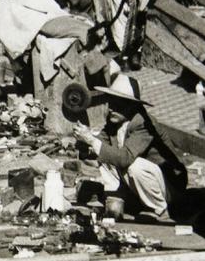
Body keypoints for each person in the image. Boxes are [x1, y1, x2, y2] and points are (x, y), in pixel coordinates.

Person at [73, 73, 186, 222]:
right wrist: (84, 143)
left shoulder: (144, 123)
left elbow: (124, 158)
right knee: (105, 154)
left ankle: (160, 210)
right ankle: (118, 197)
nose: (112, 109)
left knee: (134, 165)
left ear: (132, 106)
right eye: (110, 103)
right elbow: (101, 144)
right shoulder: (115, 120)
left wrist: (91, 140)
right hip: (145, 183)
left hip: (169, 186)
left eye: (118, 104)